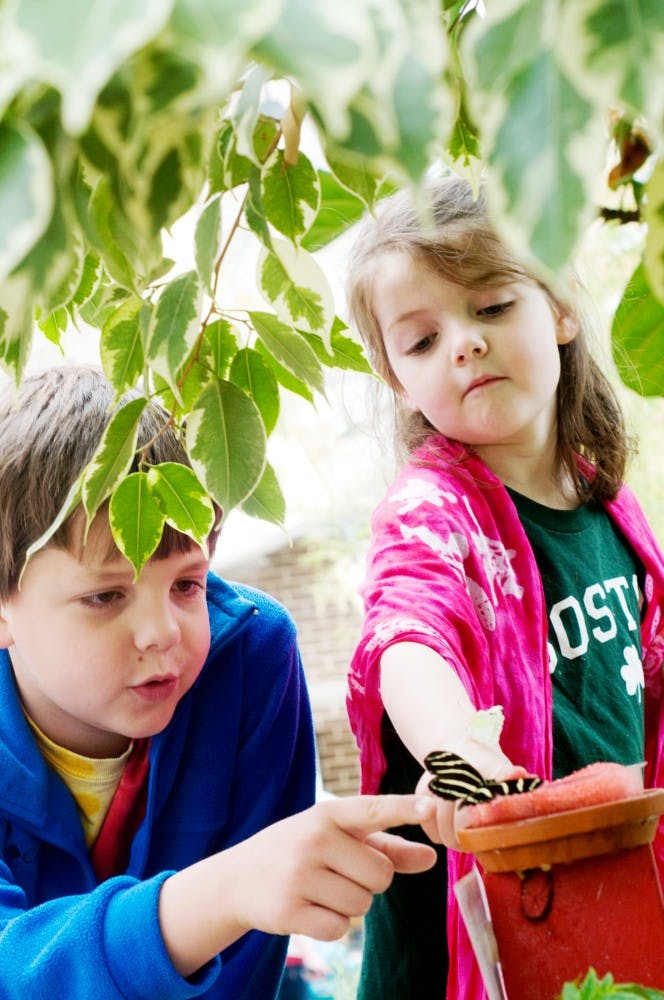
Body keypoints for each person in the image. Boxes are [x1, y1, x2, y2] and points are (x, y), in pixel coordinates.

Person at [0, 365, 437, 999]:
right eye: (104, 596)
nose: (162, 632)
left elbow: (247, 972)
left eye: (186, 584)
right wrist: (226, 890)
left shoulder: (254, 660)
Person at [344, 173, 664, 1000]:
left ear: (558, 309)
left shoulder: (610, 506)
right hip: (472, 944)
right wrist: (461, 752)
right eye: (421, 341)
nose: (463, 343)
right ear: (397, 378)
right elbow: (408, 635)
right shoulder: (431, 511)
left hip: (601, 900)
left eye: (490, 307)